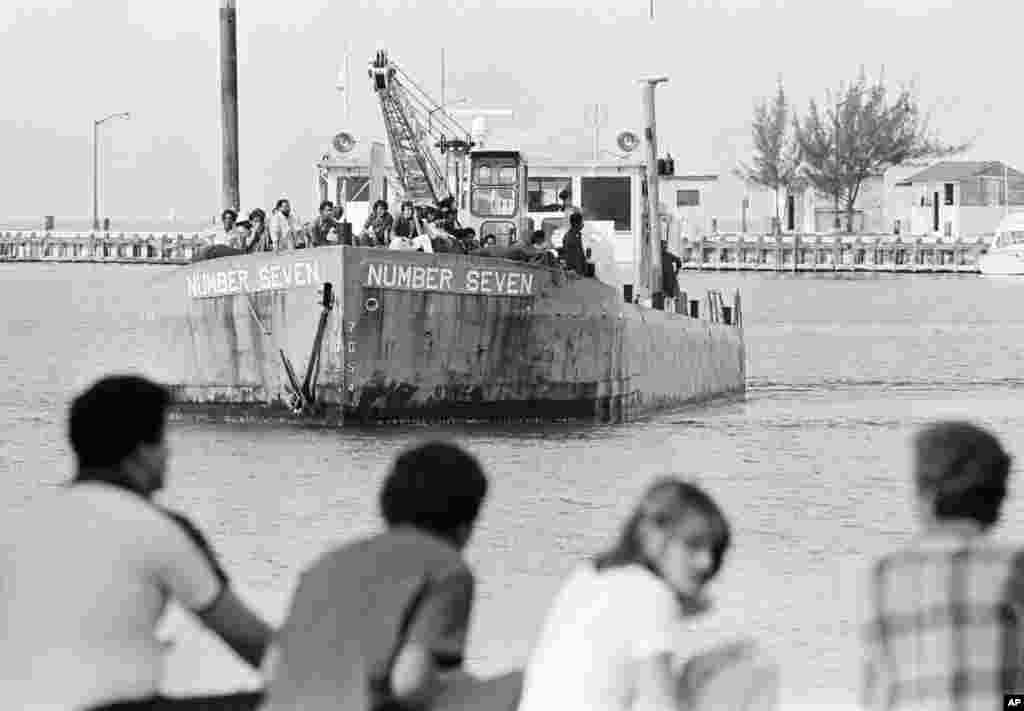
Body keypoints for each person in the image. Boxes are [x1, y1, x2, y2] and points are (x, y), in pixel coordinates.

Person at [0, 375, 273, 711]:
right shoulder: (160, 527)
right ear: (142, 452)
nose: (169, 452)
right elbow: (254, 644)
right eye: (163, 440)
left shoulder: (22, 524)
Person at [262, 441, 518, 711]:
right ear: (466, 522)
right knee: (521, 682)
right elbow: (410, 684)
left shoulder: (325, 563)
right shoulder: (447, 568)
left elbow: (271, 670)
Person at [517, 477, 777, 711]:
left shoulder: (589, 575)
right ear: (652, 535)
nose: (706, 562)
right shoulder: (650, 594)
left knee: (717, 662)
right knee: (751, 668)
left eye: (714, 551)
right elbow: (658, 705)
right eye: (693, 545)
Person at [861, 421, 1020, 711]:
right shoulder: (1013, 566)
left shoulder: (885, 574)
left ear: (925, 494)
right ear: (999, 494)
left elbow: (878, 692)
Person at [561, 211, 588, 276]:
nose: (583, 224)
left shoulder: (577, 235)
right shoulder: (570, 237)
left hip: (578, 271)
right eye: (581, 222)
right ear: (576, 224)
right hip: (574, 272)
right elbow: (571, 257)